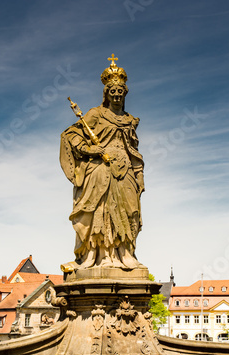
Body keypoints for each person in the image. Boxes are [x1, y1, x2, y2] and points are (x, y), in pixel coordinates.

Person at [60, 55, 145, 270]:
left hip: (125, 170)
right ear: (106, 94)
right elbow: (71, 135)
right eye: (112, 92)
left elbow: (133, 150)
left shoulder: (129, 120)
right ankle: (97, 256)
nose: (117, 96)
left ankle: (125, 254)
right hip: (100, 169)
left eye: (120, 92)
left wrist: (139, 174)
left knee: (129, 211)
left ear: (125, 94)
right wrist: (91, 149)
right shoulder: (96, 114)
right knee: (100, 211)